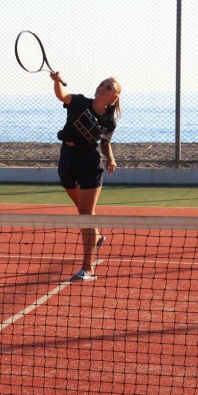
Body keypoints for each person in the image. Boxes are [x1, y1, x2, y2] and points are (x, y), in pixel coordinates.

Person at [51, 70, 122, 282]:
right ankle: (97, 236)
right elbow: (62, 95)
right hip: (68, 159)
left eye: (108, 87)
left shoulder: (109, 121)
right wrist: (57, 81)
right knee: (82, 210)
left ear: (114, 97)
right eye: (102, 84)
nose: (102, 88)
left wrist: (110, 158)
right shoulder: (80, 102)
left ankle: (87, 268)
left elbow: (105, 143)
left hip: (89, 162)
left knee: (86, 215)